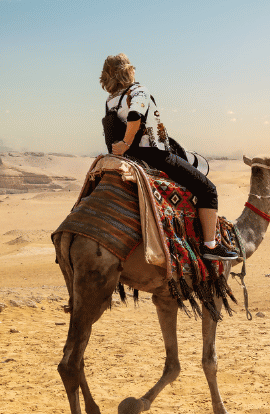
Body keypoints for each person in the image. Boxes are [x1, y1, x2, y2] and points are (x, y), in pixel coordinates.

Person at [100, 53, 237, 261]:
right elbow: (135, 115)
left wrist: (123, 147)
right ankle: (210, 245)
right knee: (208, 189)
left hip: (127, 158)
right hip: (154, 154)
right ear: (128, 71)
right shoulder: (138, 90)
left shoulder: (111, 101)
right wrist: (127, 142)